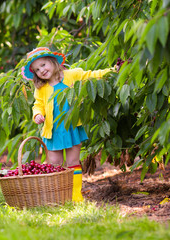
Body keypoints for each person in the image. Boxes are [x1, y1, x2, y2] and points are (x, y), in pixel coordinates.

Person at [21, 47, 113, 202]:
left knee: (72, 162)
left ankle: (75, 195)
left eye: (43, 65)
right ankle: (57, 195)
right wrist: (37, 114)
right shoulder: (41, 88)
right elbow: (38, 105)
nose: (41, 70)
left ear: (53, 62)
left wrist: (112, 70)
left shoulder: (72, 75)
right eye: (37, 69)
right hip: (53, 131)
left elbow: (91, 75)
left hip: (71, 128)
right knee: (55, 163)